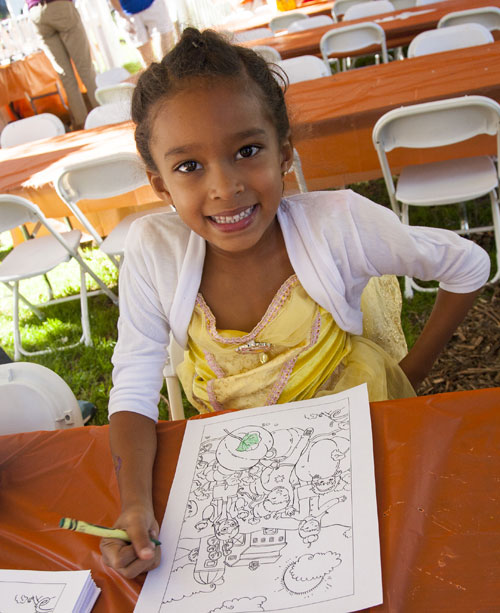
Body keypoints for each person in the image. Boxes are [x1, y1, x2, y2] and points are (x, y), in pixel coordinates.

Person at [100, 27, 490, 578]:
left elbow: (467, 265)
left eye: (247, 151)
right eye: (189, 166)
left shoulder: (340, 225)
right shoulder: (152, 250)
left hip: (361, 439)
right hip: (239, 465)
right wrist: (135, 503)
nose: (225, 186)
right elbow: (134, 381)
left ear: (285, 151)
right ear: (159, 184)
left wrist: (412, 373)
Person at [26, 0, 98, 129]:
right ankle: (104, 115)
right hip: (59, 6)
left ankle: (81, 123)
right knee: (85, 68)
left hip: (36, 13)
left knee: (65, 76)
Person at [110, 0, 174, 66]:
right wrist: (122, 15)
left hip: (154, 5)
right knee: (149, 63)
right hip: (128, 13)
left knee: (167, 54)